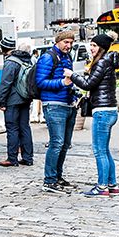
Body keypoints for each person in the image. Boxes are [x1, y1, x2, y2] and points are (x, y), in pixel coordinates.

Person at [71, 33, 119, 197]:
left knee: (99, 151)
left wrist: (71, 75)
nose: (91, 48)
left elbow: (88, 84)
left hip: (103, 111)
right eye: (90, 45)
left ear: (101, 47)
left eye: (94, 45)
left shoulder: (101, 62)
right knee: (105, 150)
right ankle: (112, 184)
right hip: (110, 110)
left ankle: (102, 187)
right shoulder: (107, 62)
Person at [36, 31, 78, 193]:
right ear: (58, 41)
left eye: (71, 42)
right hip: (53, 104)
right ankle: (49, 180)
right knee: (57, 142)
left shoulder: (67, 57)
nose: (69, 45)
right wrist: (62, 82)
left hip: (68, 103)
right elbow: (40, 82)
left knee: (65, 144)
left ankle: (58, 176)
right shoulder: (48, 57)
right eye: (66, 42)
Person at [0, 37, 34, 166]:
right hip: (25, 98)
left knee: (12, 128)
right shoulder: (28, 60)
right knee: (25, 127)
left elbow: (5, 84)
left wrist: (1, 102)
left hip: (12, 100)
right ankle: (28, 158)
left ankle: (12, 158)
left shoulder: (11, 62)